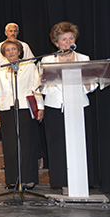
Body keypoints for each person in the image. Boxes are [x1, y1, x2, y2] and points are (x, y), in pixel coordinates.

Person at [41, 21, 97, 189]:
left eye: (70, 38)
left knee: (80, 145)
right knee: (58, 146)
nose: (67, 42)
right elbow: (41, 86)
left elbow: (92, 82)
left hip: (79, 106)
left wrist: (88, 84)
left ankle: (82, 182)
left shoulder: (83, 58)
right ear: (56, 42)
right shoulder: (47, 60)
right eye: (63, 39)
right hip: (55, 107)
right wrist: (44, 83)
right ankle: (62, 183)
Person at [0, 39, 43, 188]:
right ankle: (13, 179)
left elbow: (36, 87)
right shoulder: (2, 69)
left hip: (24, 107)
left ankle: (28, 179)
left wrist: (40, 107)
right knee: (10, 146)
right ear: (4, 54)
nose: (11, 52)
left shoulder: (29, 66)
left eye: (13, 49)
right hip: (6, 109)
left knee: (26, 144)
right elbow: (0, 92)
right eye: (7, 50)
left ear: (19, 51)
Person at [0, 23, 35, 93]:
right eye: (11, 31)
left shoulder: (24, 46)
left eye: (15, 31)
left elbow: (31, 63)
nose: (13, 33)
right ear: (6, 33)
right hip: (5, 79)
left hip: (22, 79)